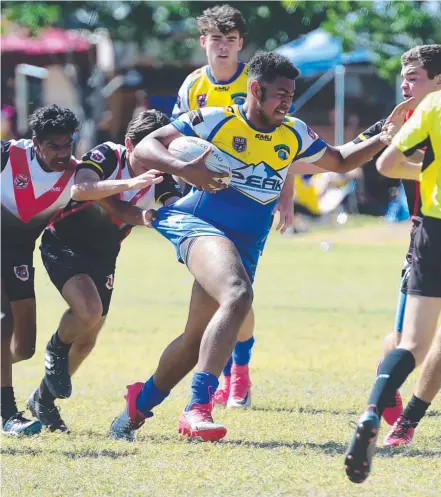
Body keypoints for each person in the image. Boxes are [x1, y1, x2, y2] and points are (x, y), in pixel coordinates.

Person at [109, 51, 396, 443]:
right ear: (256, 89)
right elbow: (145, 147)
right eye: (280, 94)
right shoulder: (215, 118)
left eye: (291, 95)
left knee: (195, 341)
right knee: (238, 294)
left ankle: (137, 405)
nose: (287, 102)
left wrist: (382, 137)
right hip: (198, 224)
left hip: (244, 243)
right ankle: (198, 409)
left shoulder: (293, 132)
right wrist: (188, 169)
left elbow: (340, 160)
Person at [26, 110, 179, 433]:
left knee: (87, 339)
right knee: (88, 311)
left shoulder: (164, 177)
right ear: (130, 144)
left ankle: (42, 400)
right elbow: (82, 190)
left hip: (105, 256)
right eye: (149, 151)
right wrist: (130, 183)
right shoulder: (108, 154)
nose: (155, 161)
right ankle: (55, 348)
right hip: (64, 241)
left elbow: (170, 211)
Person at [173, 4, 294, 408]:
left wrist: (286, 196)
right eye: (216, 39)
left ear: (241, 43)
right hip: (206, 202)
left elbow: (287, 144)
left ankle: (238, 370)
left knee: (238, 292)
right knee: (222, 292)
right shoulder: (192, 86)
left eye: (231, 40)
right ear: (203, 42)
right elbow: (176, 140)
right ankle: (225, 372)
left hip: (250, 203)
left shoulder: (256, 83)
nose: (223, 47)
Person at [345, 89, 441, 484]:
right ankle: (406, 420)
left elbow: (387, 163)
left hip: (432, 230)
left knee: (413, 344)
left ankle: (372, 409)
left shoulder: (434, 105)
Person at [1, 104, 80, 436]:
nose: (62, 153)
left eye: (68, 145)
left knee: (25, 347)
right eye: (54, 146)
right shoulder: (7, 155)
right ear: (36, 142)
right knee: (4, 322)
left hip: (19, 254)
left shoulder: (78, 175)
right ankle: (7, 414)